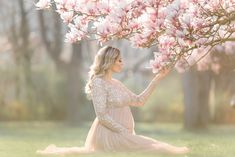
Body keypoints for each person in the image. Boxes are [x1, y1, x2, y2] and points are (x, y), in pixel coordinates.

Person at [36, 46, 189, 155]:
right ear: (110, 61)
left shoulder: (116, 83)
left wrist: (157, 78)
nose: (122, 63)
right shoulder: (98, 82)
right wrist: (121, 131)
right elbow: (101, 115)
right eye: (119, 60)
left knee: (154, 146)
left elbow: (139, 101)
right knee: (154, 149)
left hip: (123, 132)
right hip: (109, 134)